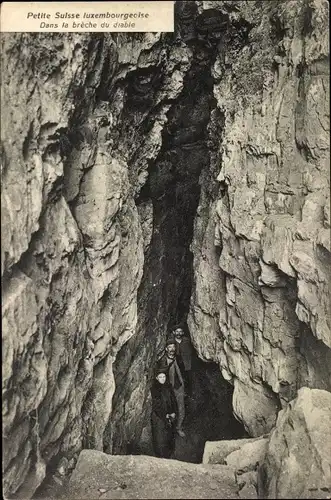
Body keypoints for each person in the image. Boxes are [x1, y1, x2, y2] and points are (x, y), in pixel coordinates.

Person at [158, 335, 186, 437]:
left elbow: (183, 371)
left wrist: (183, 385)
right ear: (166, 349)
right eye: (170, 347)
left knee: (181, 409)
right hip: (169, 390)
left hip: (179, 388)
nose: (172, 349)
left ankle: (179, 427)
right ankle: (170, 431)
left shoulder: (178, 358)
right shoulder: (163, 361)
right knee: (170, 410)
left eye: (173, 347)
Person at [150, 366, 178, 458]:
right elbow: (156, 405)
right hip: (159, 417)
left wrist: (174, 412)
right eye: (160, 377)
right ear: (157, 378)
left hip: (169, 416)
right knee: (160, 438)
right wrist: (165, 415)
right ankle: (161, 457)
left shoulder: (168, 386)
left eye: (164, 377)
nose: (162, 379)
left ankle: (168, 455)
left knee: (169, 436)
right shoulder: (154, 389)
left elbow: (173, 400)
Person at [173, 327, 193, 398]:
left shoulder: (187, 341)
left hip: (187, 364)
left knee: (188, 381)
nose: (179, 333)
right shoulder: (171, 342)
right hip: (176, 365)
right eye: (177, 331)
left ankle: (189, 396)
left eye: (180, 331)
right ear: (173, 332)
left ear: (183, 333)